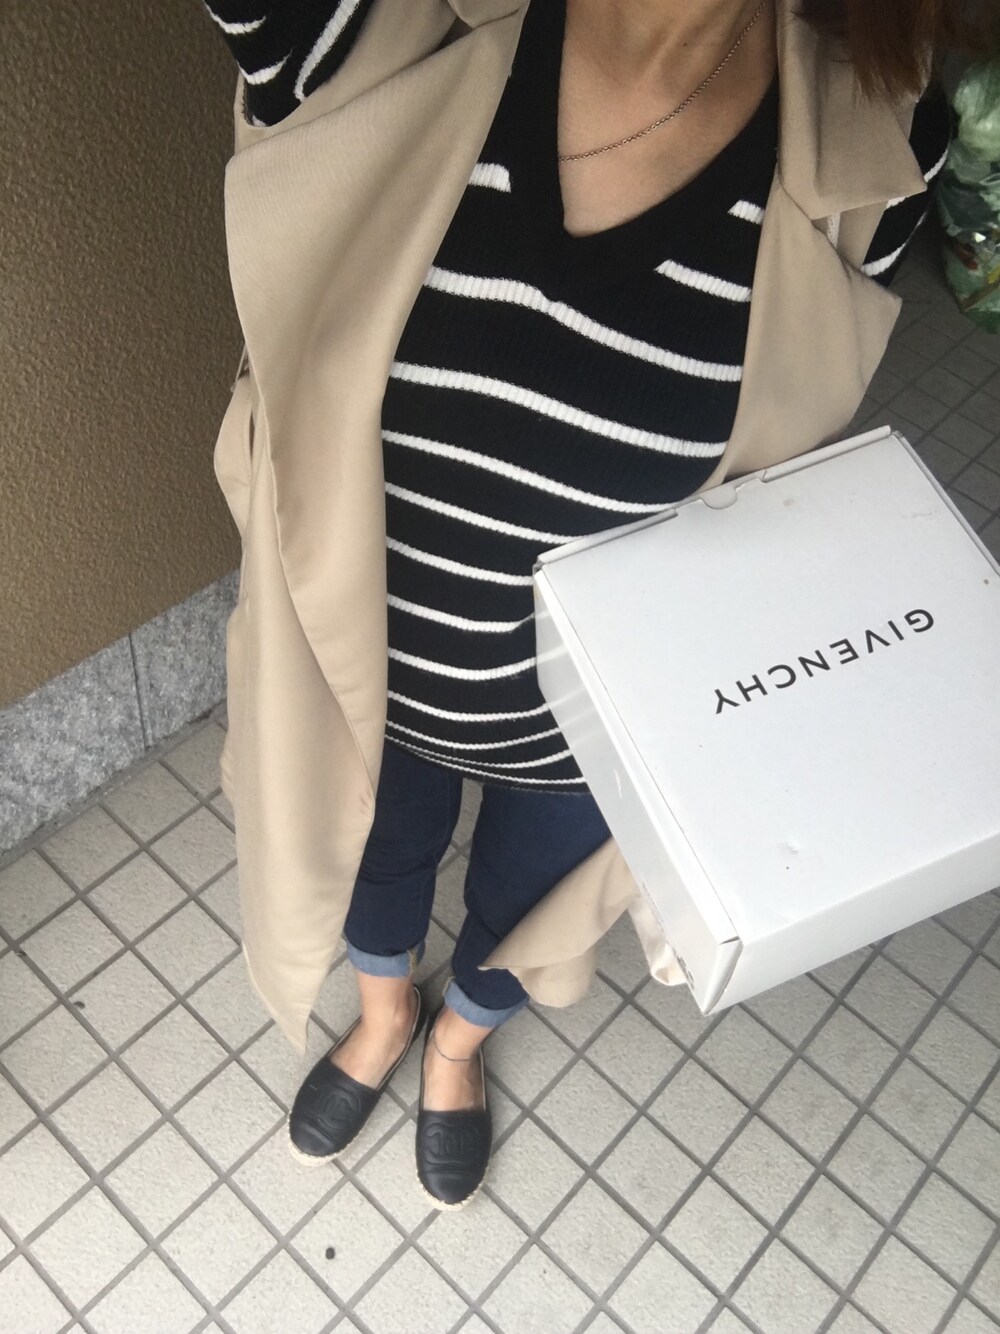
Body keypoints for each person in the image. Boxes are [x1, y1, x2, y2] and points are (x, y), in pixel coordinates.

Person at [203, 0, 976, 1210]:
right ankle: (385, 1009)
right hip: (366, 689)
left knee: (536, 901)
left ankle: (456, 1038)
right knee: (367, 859)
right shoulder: (369, 26)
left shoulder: (876, 134)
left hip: (602, 728)